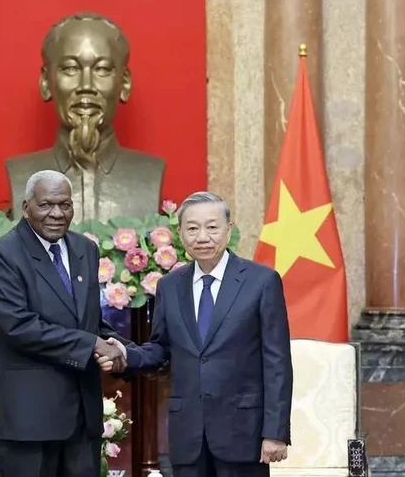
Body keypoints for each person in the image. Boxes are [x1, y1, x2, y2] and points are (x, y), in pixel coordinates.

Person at [99, 191, 293, 477]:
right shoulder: (169, 285)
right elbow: (161, 348)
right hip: (188, 436)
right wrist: (128, 354)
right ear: (180, 234)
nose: (203, 236)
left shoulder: (261, 282)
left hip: (243, 434)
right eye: (192, 228)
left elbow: (277, 362)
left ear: (229, 230)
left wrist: (275, 432)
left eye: (212, 227)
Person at [0, 169, 128, 477]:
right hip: (30, 419)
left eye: (65, 205)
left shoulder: (84, 249)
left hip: (81, 417)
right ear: (26, 207)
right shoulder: (4, 253)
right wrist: (92, 344)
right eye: (46, 205)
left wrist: (123, 349)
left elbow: (89, 321)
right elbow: (18, 326)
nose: (57, 214)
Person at [5, 11, 165, 222]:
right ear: (45, 82)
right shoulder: (20, 174)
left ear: (124, 83)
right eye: (71, 68)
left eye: (102, 69)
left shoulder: (149, 174)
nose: (86, 86)